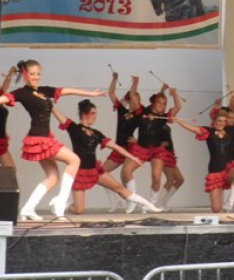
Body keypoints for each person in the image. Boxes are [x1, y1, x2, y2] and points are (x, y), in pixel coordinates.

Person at [0, 59, 106, 221]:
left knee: (53, 178)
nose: (36, 77)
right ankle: (60, 204)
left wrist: (90, 94)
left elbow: (67, 90)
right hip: (39, 139)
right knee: (75, 160)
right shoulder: (22, 93)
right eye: (32, 74)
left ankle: (27, 209)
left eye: (38, 74)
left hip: (44, 138)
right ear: (25, 75)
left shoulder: (44, 90)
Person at [51, 100, 162, 214]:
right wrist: (48, 104)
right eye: (93, 113)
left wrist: (133, 158)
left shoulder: (96, 133)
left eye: (95, 114)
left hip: (94, 170)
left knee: (119, 188)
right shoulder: (74, 128)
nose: (95, 116)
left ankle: (149, 205)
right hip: (79, 172)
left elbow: (116, 147)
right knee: (79, 210)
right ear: (84, 114)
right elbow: (57, 113)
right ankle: (61, 204)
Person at [120, 83, 181, 213]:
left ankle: (151, 204)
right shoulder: (143, 111)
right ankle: (133, 200)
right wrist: (135, 82)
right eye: (159, 103)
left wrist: (174, 94)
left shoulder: (164, 117)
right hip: (141, 148)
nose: (162, 106)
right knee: (126, 170)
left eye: (164, 104)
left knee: (156, 177)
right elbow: (133, 96)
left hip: (157, 150)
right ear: (153, 103)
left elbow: (178, 106)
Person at [101, 72, 144, 213]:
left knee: (125, 174)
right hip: (119, 148)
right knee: (100, 172)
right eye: (132, 98)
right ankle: (115, 201)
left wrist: (135, 83)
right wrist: (114, 79)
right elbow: (111, 93)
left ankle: (132, 201)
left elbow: (149, 132)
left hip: (131, 148)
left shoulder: (139, 114)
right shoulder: (122, 110)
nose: (134, 100)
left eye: (136, 99)